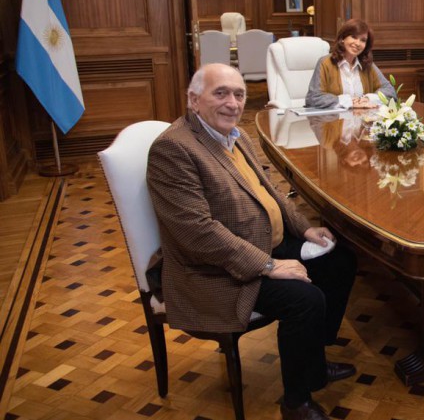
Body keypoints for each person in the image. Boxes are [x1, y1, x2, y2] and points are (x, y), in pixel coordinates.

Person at [147, 63, 358, 420]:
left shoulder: (235, 135)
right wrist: (270, 266)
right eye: (221, 93)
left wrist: (305, 230)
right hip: (214, 270)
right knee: (305, 300)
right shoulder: (173, 149)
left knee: (340, 260)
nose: (233, 103)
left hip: (262, 245)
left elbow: (270, 191)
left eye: (239, 94)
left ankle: (313, 364)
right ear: (193, 100)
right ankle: (296, 402)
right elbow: (198, 234)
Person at [305, 19, 397, 109]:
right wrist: (349, 102)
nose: (358, 43)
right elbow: (313, 98)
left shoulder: (367, 65)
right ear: (342, 39)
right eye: (353, 37)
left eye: (363, 40)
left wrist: (368, 98)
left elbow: (390, 91)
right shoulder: (325, 63)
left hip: (363, 121)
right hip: (333, 122)